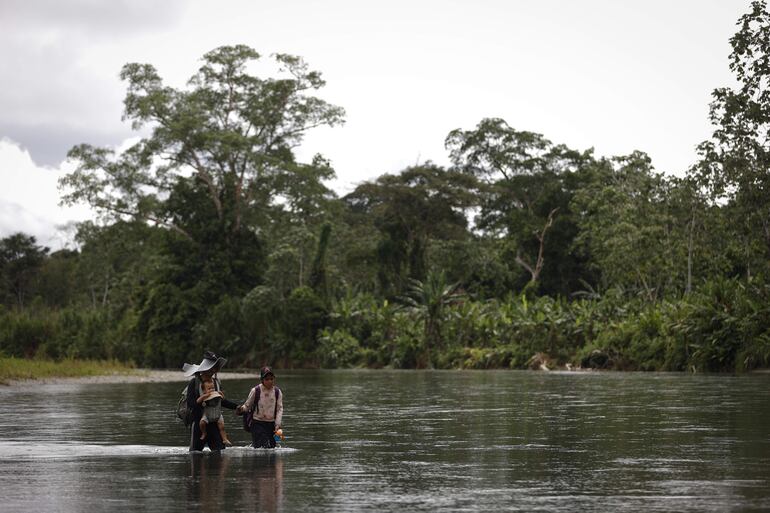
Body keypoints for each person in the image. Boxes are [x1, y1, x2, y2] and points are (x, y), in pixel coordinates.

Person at [182, 351, 239, 451]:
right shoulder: (194, 383)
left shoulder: (216, 383)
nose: (213, 370)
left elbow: (221, 401)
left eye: (215, 368)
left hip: (214, 423)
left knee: (219, 452)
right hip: (199, 424)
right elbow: (191, 404)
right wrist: (204, 400)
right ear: (205, 369)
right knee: (195, 453)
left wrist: (237, 407)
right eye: (211, 368)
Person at [237, 366, 284, 448]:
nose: (270, 381)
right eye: (267, 379)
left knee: (273, 447)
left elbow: (279, 409)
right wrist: (241, 409)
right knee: (263, 445)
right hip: (257, 423)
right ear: (262, 380)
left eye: (271, 379)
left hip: (272, 424)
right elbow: (247, 406)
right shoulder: (255, 390)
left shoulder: (277, 392)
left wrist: (278, 424)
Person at [197, 375, 232, 446]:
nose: (212, 390)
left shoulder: (216, 394)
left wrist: (222, 395)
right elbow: (198, 401)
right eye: (209, 389)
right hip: (207, 415)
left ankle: (225, 439)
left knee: (222, 427)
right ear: (204, 391)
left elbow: (223, 400)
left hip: (217, 415)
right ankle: (204, 432)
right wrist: (204, 396)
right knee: (202, 423)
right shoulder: (204, 396)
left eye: (213, 388)